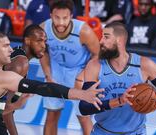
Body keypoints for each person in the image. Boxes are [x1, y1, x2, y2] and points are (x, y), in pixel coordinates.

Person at [0, 30, 104, 135]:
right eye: (6, 46)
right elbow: (42, 87)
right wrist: (80, 94)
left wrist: (12, 107)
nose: (10, 49)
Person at [79, 22, 156, 135]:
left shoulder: (144, 65)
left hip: (136, 132)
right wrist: (119, 101)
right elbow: (84, 107)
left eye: (106, 37)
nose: (101, 41)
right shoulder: (95, 66)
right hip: (103, 132)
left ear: (119, 40)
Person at [39, 0, 100, 135]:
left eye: (65, 18)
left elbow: (98, 55)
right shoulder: (43, 28)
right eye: (56, 17)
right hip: (56, 71)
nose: (61, 22)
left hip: (79, 71)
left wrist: (83, 75)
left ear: (71, 16)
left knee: (83, 117)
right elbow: (41, 53)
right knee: (52, 114)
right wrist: (48, 75)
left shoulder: (84, 31)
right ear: (50, 15)